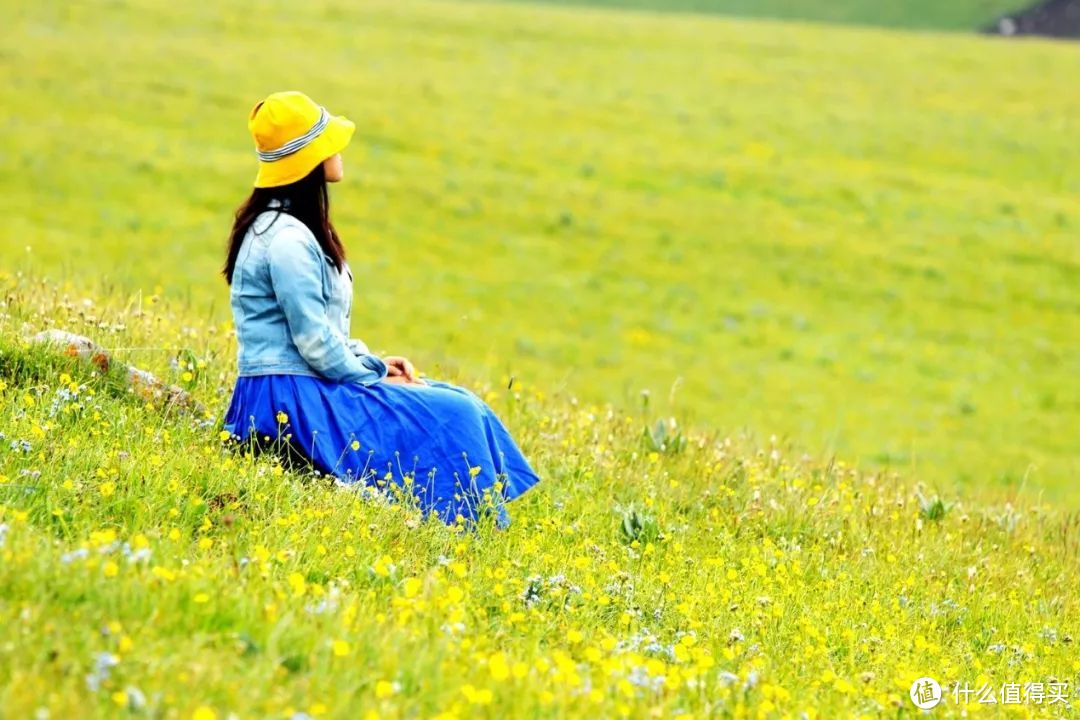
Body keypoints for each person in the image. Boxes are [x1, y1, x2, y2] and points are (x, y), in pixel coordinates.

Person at [221, 91, 540, 527]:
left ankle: (474, 518)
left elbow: (320, 333)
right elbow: (313, 343)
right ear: (308, 159)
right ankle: (467, 524)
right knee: (454, 413)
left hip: (301, 385)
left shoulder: (288, 228)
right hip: (290, 399)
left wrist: (374, 362)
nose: (339, 150)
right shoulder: (287, 241)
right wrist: (371, 374)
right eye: (328, 142)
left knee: (454, 398)